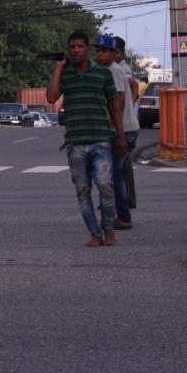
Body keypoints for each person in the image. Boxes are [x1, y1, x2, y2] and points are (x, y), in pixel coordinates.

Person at [47, 31, 126, 247]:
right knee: (82, 191)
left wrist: (120, 135)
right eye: (72, 47)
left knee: (104, 185)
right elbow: (51, 97)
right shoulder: (65, 74)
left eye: (80, 46)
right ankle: (95, 233)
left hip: (101, 139)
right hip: (75, 143)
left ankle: (108, 227)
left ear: (87, 49)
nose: (76, 50)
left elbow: (114, 107)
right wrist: (58, 67)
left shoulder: (102, 73)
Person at [94, 36, 140, 231]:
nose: (99, 55)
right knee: (117, 174)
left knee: (115, 176)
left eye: (104, 51)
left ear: (114, 54)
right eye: (97, 51)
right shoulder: (111, 70)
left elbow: (117, 104)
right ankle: (120, 214)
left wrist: (118, 133)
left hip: (122, 130)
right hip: (124, 129)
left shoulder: (113, 71)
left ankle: (123, 217)